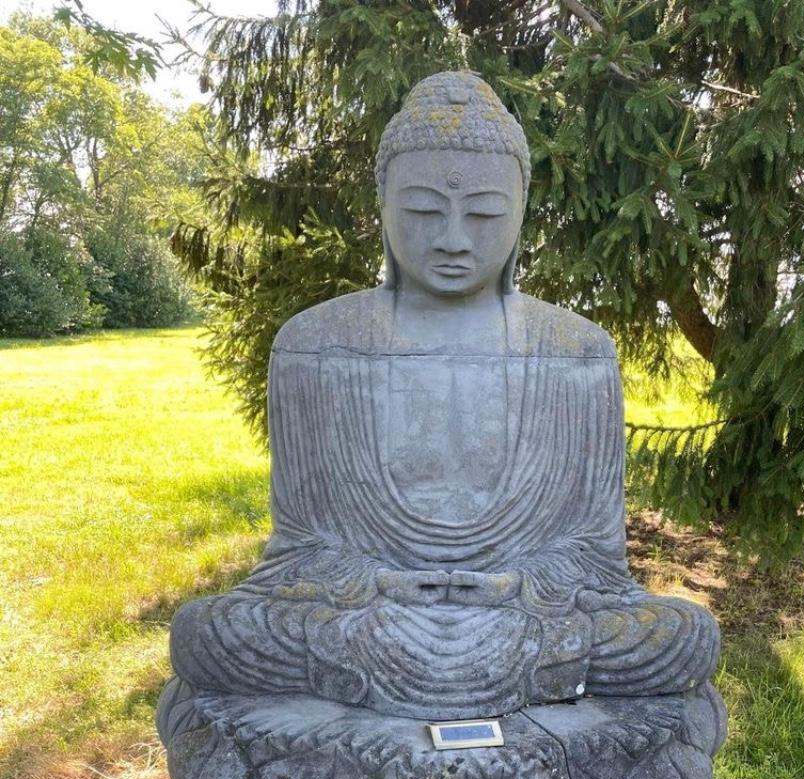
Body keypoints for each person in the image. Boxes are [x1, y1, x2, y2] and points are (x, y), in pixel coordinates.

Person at [166, 71, 718, 722]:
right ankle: (494, 691)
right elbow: (301, 548)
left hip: (525, 620)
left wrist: (518, 588)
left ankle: (386, 705)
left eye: (484, 214)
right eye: (424, 211)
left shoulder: (577, 350)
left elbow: (594, 557)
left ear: (521, 210)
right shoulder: (315, 344)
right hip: (369, 620)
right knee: (207, 633)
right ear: (383, 204)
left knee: (686, 637)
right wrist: (375, 585)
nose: (454, 238)